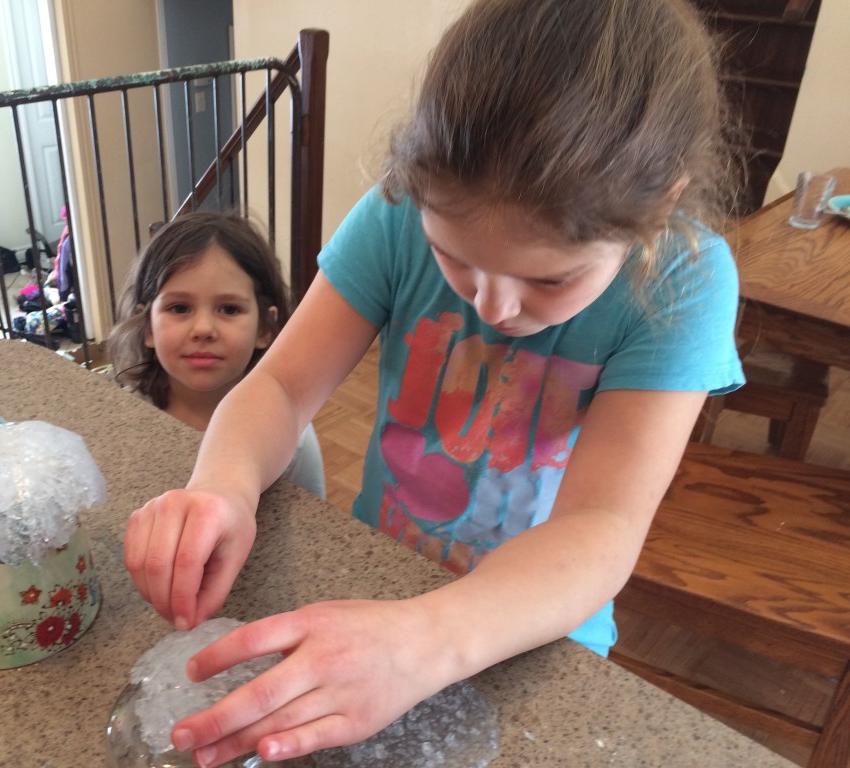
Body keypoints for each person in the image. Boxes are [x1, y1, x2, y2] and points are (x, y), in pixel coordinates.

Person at [124, 0, 745, 764]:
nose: (492, 304)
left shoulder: (685, 276)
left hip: (538, 634)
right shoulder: (396, 210)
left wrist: (427, 641)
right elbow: (282, 387)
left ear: (660, 207)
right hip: (382, 590)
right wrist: (224, 483)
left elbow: (601, 527)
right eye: (455, 259)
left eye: (549, 279)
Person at [107, 212, 326, 498]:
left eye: (229, 309)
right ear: (147, 327)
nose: (203, 329)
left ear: (264, 328)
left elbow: (314, 529)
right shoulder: (125, 414)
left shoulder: (292, 437)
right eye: (179, 308)